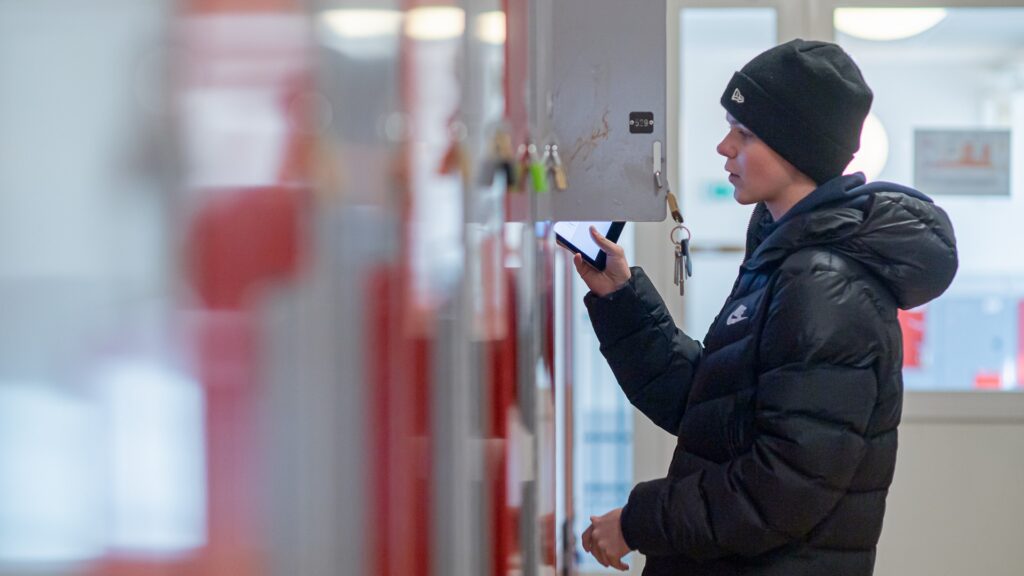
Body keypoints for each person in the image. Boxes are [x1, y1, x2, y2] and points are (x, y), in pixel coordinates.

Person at [575, 39, 958, 576]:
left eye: (745, 133)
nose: (724, 147)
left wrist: (639, 522)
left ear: (796, 148)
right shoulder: (786, 258)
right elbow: (716, 410)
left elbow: (782, 489)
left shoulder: (824, 286)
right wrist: (621, 302)